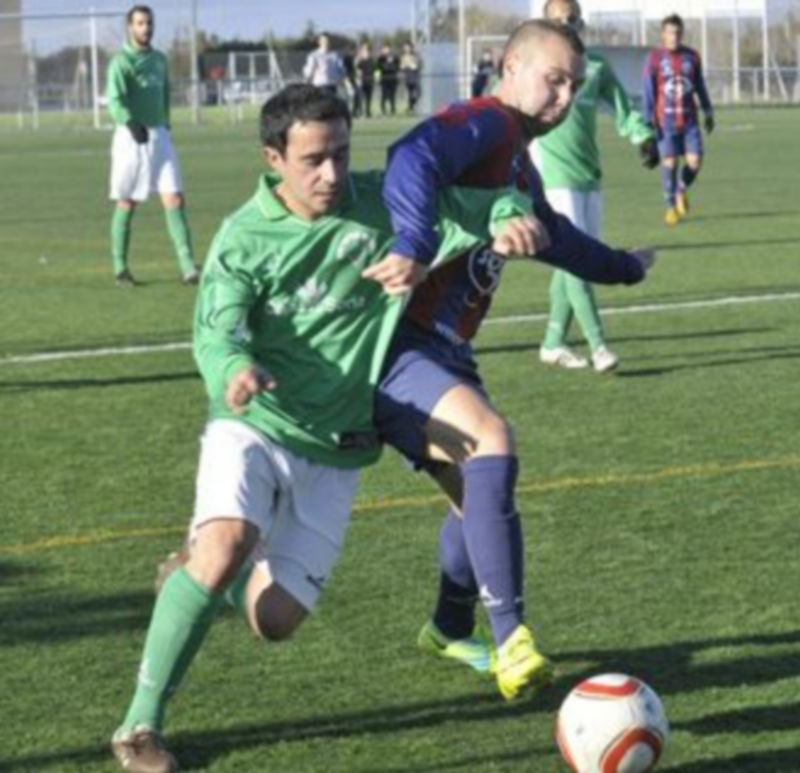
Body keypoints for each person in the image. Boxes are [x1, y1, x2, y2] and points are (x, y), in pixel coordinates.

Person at [109, 83, 541, 773]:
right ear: (272, 158)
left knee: (274, 621)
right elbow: (215, 333)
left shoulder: (380, 205)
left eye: (341, 153)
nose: (332, 174)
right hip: (253, 421)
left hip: (337, 450)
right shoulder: (243, 239)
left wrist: (514, 211)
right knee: (224, 545)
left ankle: (192, 576)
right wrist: (236, 367)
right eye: (313, 159)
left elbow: (482, 204)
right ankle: (140, 726)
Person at [369, 19, 655, 701]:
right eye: (553, 79)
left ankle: (447, 625)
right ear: (509, 66)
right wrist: (412, 240)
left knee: (481, 498)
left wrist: (622, 268)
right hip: (400, 342)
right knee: (493, 444)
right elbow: (411, 153)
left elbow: (555, 237)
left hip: (445, 350)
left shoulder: (520, 162)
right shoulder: (490, 123)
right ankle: (512, 640)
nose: (563, 98)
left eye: (574, 87)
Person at [531, 0, 659, 373]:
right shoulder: (534, 69)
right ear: (546, 25)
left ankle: (553, 341)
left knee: (573, 259)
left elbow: (622, 109)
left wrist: (643, 136)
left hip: (589, 176)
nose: (568, 25)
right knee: (577, 260)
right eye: (560, 20)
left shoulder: (596, 67)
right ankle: (599, 346)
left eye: (573, 19)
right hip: (552, 177)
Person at [106, 4, 198, 287]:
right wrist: (131, 122)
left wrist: (166, 123)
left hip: (160, 137)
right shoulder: (120, 62)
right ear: (130, 27)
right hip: (131, 138)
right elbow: (115, 100)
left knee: (175, 198)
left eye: (149, 23)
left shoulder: (160, 59)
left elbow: (165, 93)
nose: (146, 28)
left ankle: (188, 268)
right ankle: (121, 267)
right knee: (127, 202)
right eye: (140, 23)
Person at [643, 13, 714, 226]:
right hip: (665, 122)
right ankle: (670, 208)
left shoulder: (692, 57)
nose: (674, 36)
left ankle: (681, 189)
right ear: (663, 35)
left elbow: (699, 85)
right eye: (670, 32)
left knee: (695, 162)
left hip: (690, 120)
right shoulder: (654, 58)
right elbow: (648, 90)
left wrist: (708, 111)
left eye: (678, 32)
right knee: (670, 162)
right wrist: (648, 121)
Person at [376, 43, 400, 116]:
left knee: (392, 96)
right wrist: (377, 78)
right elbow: (378, 69)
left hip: (393, 79)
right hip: (384, 80)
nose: (385, 51)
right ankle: (383, 110)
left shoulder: (395, 58)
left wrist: (391, 64)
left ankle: (393, 109)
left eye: (387, 49)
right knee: (384, 95)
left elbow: (397, 68)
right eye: (384, 49)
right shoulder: (380, 59)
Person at [400, 42, 422, 113]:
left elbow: (417, 65)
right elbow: (402, 66)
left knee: (418, 93)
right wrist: (408, 65)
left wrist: (414, 65)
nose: (406, 49)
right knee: (410, 93)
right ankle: (411, 107)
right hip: (408, 77)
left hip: (415, 76)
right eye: (405, 47)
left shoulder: (415, 55)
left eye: (407, 47)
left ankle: (411, 106)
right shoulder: (403, 57)